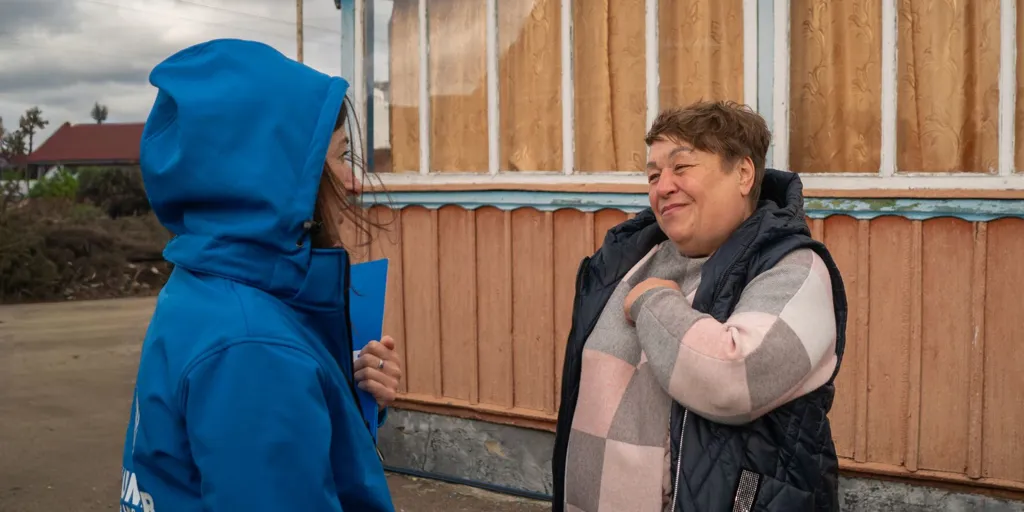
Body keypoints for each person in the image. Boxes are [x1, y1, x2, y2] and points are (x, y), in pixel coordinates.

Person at [118, 39, 402, 512]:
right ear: (276, 175)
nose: (351, 183)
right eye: (339, 157)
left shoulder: (204, 289)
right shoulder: (255, 349)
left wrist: (331, 385)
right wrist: (288, 375)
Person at [552, 101, 847, 512]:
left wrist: (652, 301)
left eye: (682, 167)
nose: (662, 186)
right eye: (653, 175)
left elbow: (736, 378)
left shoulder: (796, 268)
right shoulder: (625, 260)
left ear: (743, 173)